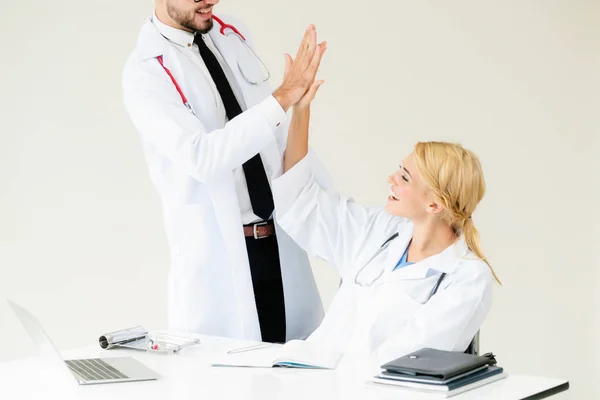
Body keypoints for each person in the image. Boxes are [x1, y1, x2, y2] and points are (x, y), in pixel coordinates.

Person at [122, 0, 329, 343]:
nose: (212, 0)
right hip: (221, 259)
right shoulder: (145, 73)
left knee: (302, 369)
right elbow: (202, 157)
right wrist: (281, 99)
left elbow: (270, 139)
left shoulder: (231, 33)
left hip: (279, 241)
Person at [271, 81, 500, 364]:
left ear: (434, 204)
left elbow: (403, 361)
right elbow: (301, 202)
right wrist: (301, 110)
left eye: (404, 177)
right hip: (307, 376)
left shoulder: (467, 277)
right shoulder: (379, 231)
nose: (391, 179)